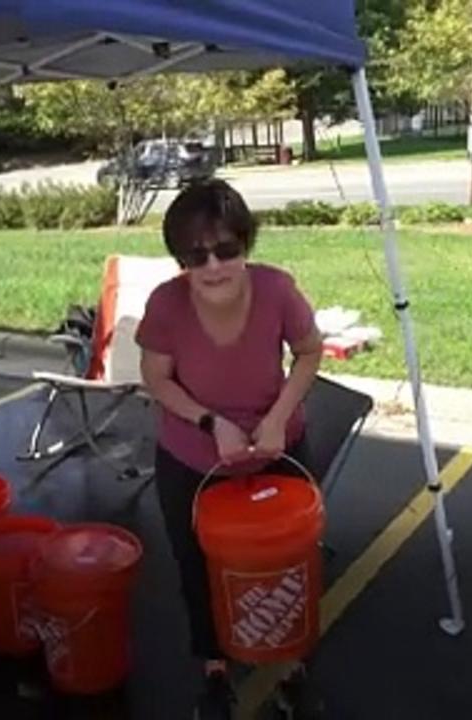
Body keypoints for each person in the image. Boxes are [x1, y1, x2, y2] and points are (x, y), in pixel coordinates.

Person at [134, 179, 325, 720]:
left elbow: (309, 353)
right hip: (191, 456)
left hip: (277, 447)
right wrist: (209, 422)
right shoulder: (165, 304)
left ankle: (291, 666)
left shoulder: (278, 290)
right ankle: (214, 669)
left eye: (227, 250)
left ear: (246, 244)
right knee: (195, 564)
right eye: (196, 255)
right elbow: (156, 377)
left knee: (288, 562)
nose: (214, 266)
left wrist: (276, 419)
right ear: (179, 259)